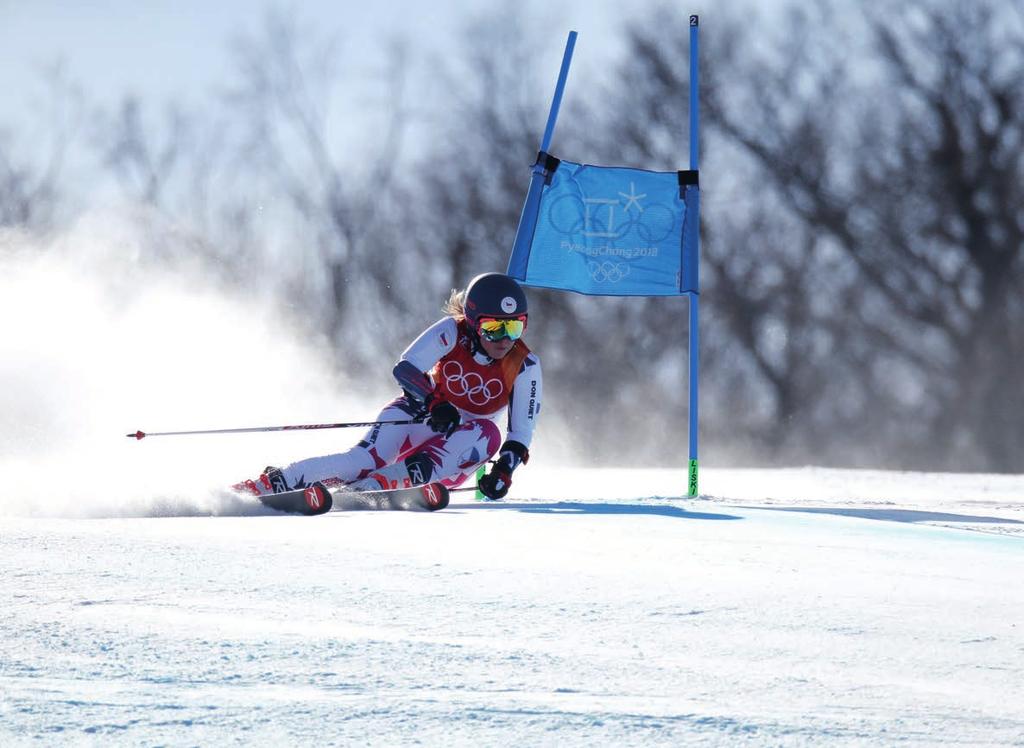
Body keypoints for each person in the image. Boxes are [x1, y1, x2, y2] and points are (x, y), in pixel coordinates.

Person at [234, 272, 542, 501]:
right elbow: (407, 367)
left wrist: (503, 472)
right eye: (493, 328)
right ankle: (276, 482)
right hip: (422, 417)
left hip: (459, 447)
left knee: (488, 433)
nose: (504, 339)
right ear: (474, 323)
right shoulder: (453, 331)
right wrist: (434, 403)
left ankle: (378, 486)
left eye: (515, 326)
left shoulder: (525, 365)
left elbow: (520, 435)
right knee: (360, 461)